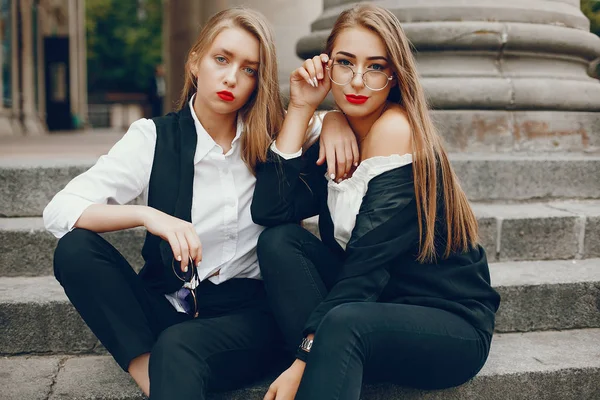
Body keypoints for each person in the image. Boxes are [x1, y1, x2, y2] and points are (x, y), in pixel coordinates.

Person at [43, 7, 352, 400]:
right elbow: (60, 210)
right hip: (169, 304)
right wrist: (149, 215)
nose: (231, 77)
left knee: (179, 345)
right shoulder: (153, 138)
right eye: (221, 59)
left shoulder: (279, 133)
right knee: (75, 249)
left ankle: (171, 367)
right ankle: (151, 376)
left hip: (250, 319)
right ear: (195, 61)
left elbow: (328, 116)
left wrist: (336, 120)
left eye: (249, 69)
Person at [251, 3, 501, 400]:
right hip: (375, 309)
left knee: (344, 323)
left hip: (446, 323)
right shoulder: (342, 133)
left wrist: (303, 360)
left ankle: (322, 362)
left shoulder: (396, 133)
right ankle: (331, 361)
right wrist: (304, 108)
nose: (357, 81)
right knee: (279, 241)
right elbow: (270, 210)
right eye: (345, 63)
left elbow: (366, 271)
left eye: (375, 67)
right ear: (326, 66)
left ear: (394, 75)